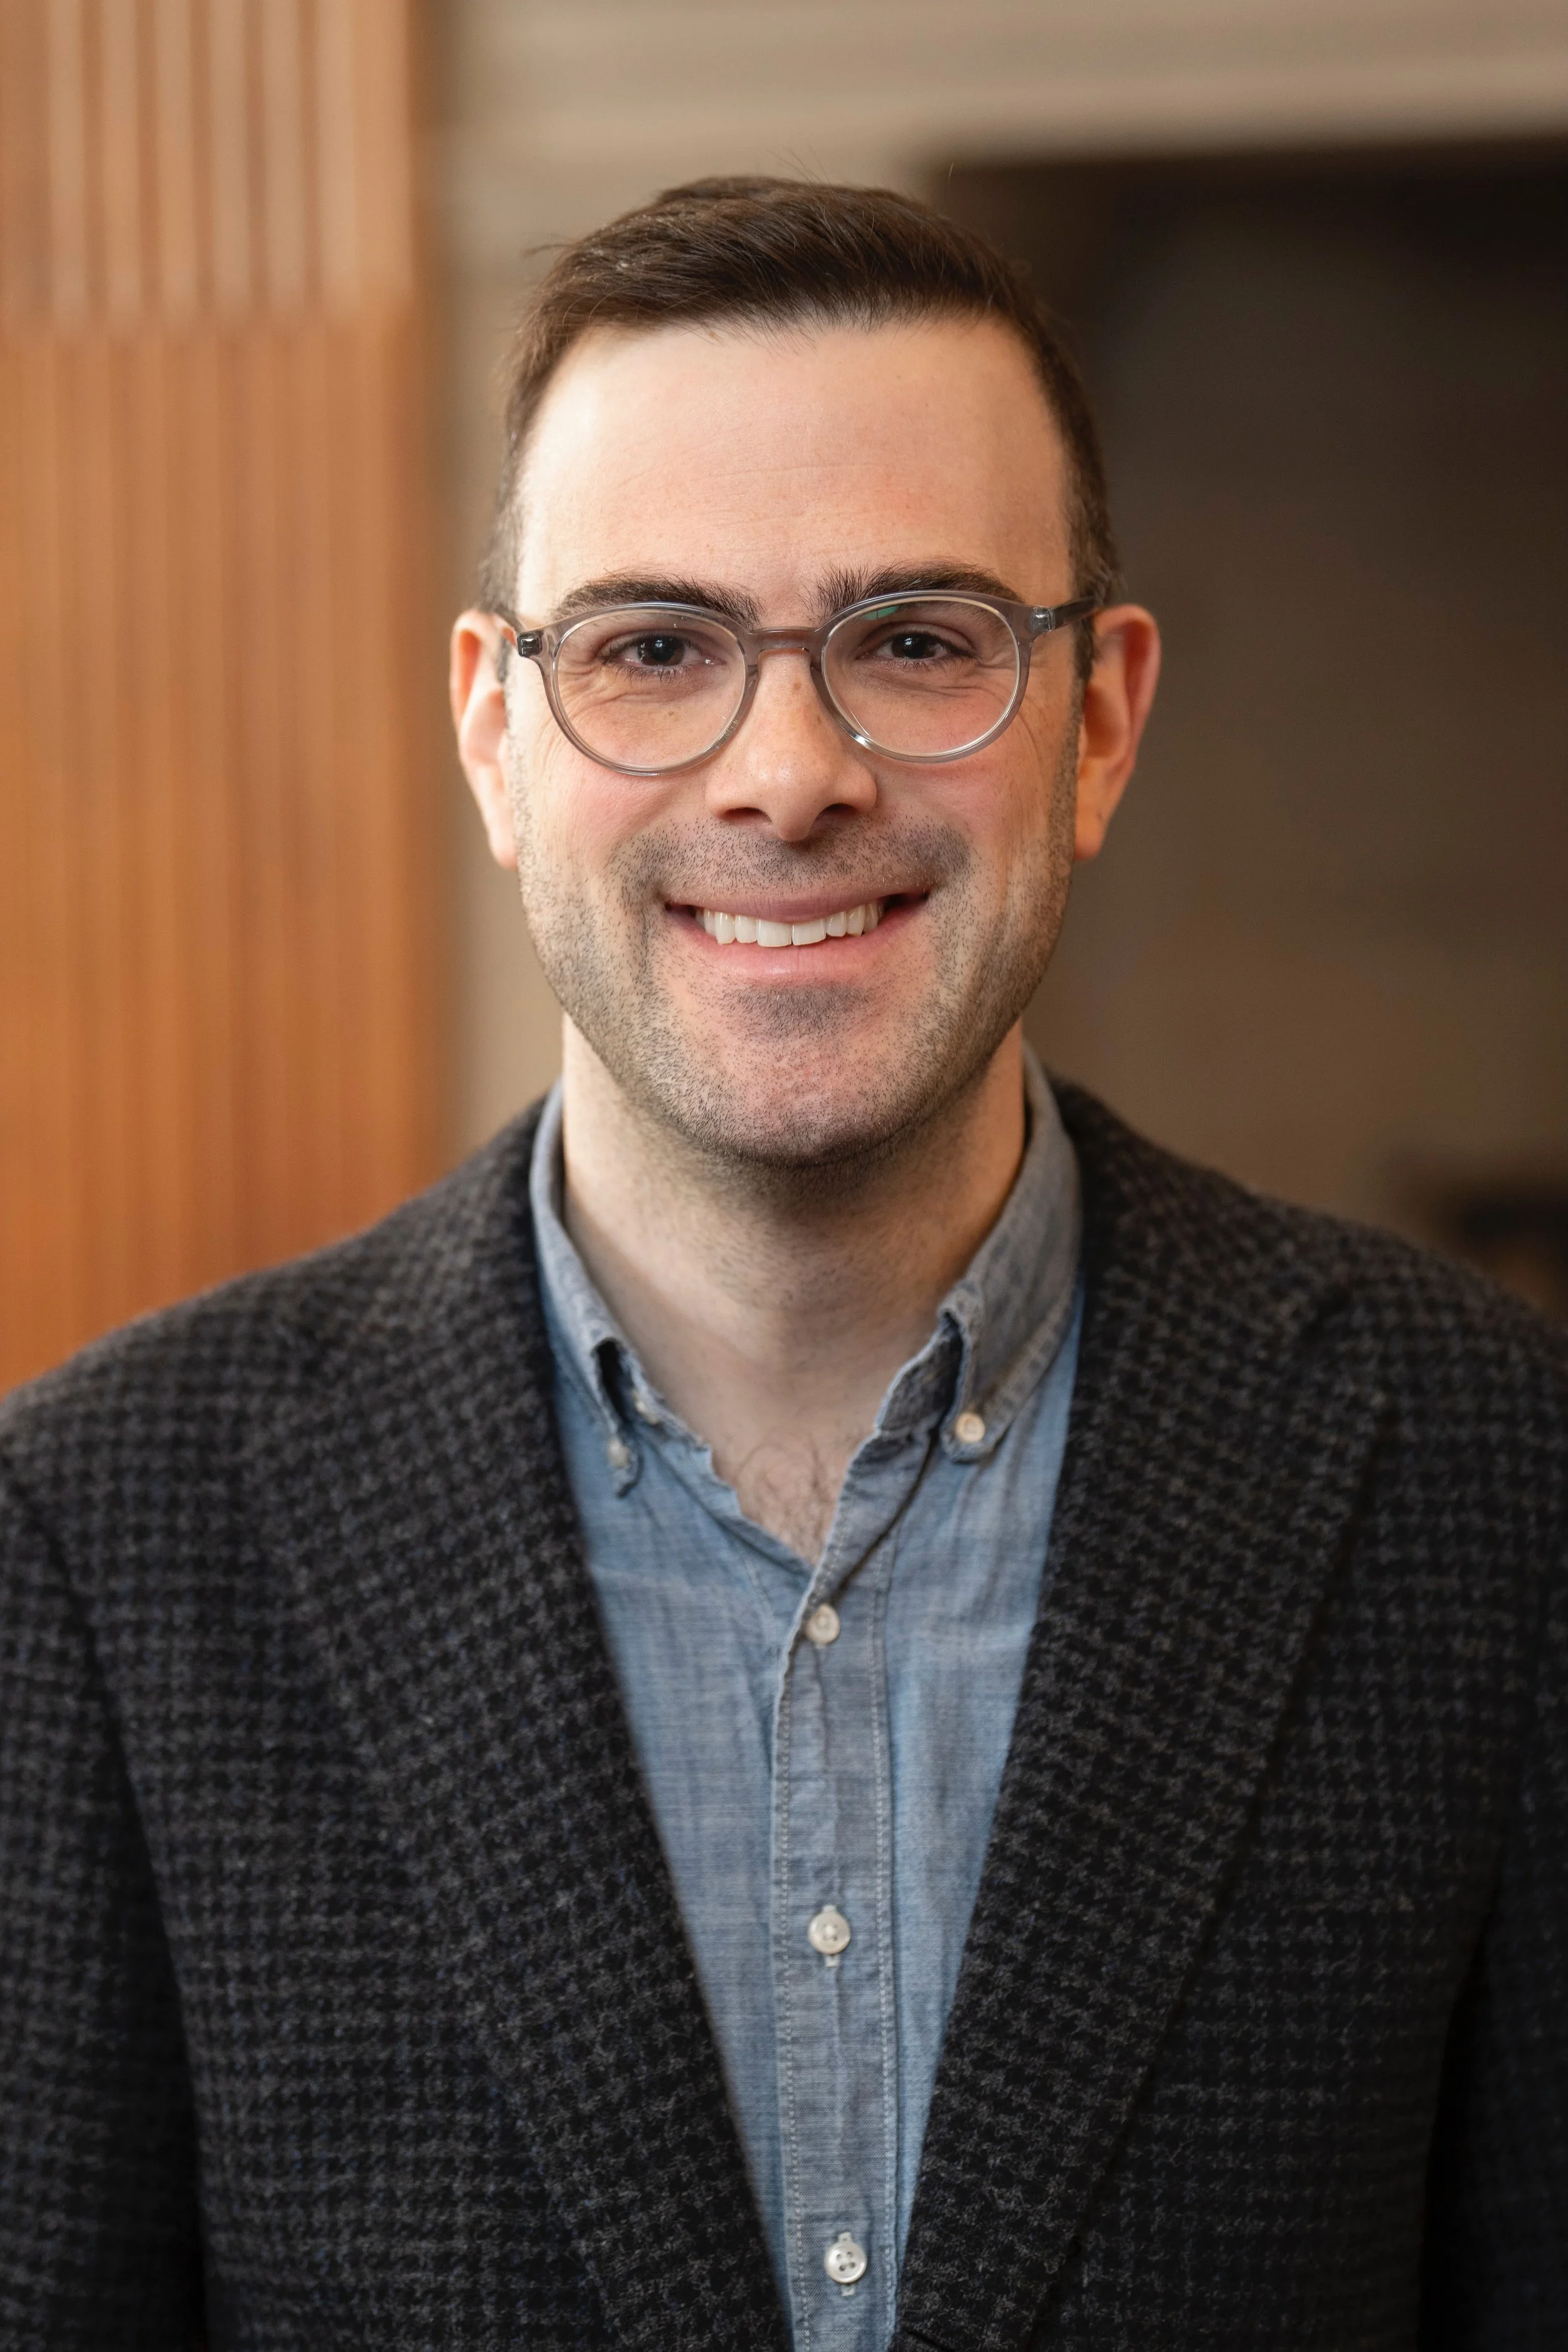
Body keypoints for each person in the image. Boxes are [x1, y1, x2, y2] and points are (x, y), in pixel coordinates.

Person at [1, 176, 1563, 2352]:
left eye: (917, 639)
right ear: (492, 730)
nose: (789, 772)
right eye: (654, 648)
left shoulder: (1487, 1475)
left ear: (1098, 721)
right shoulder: (98, 1536)